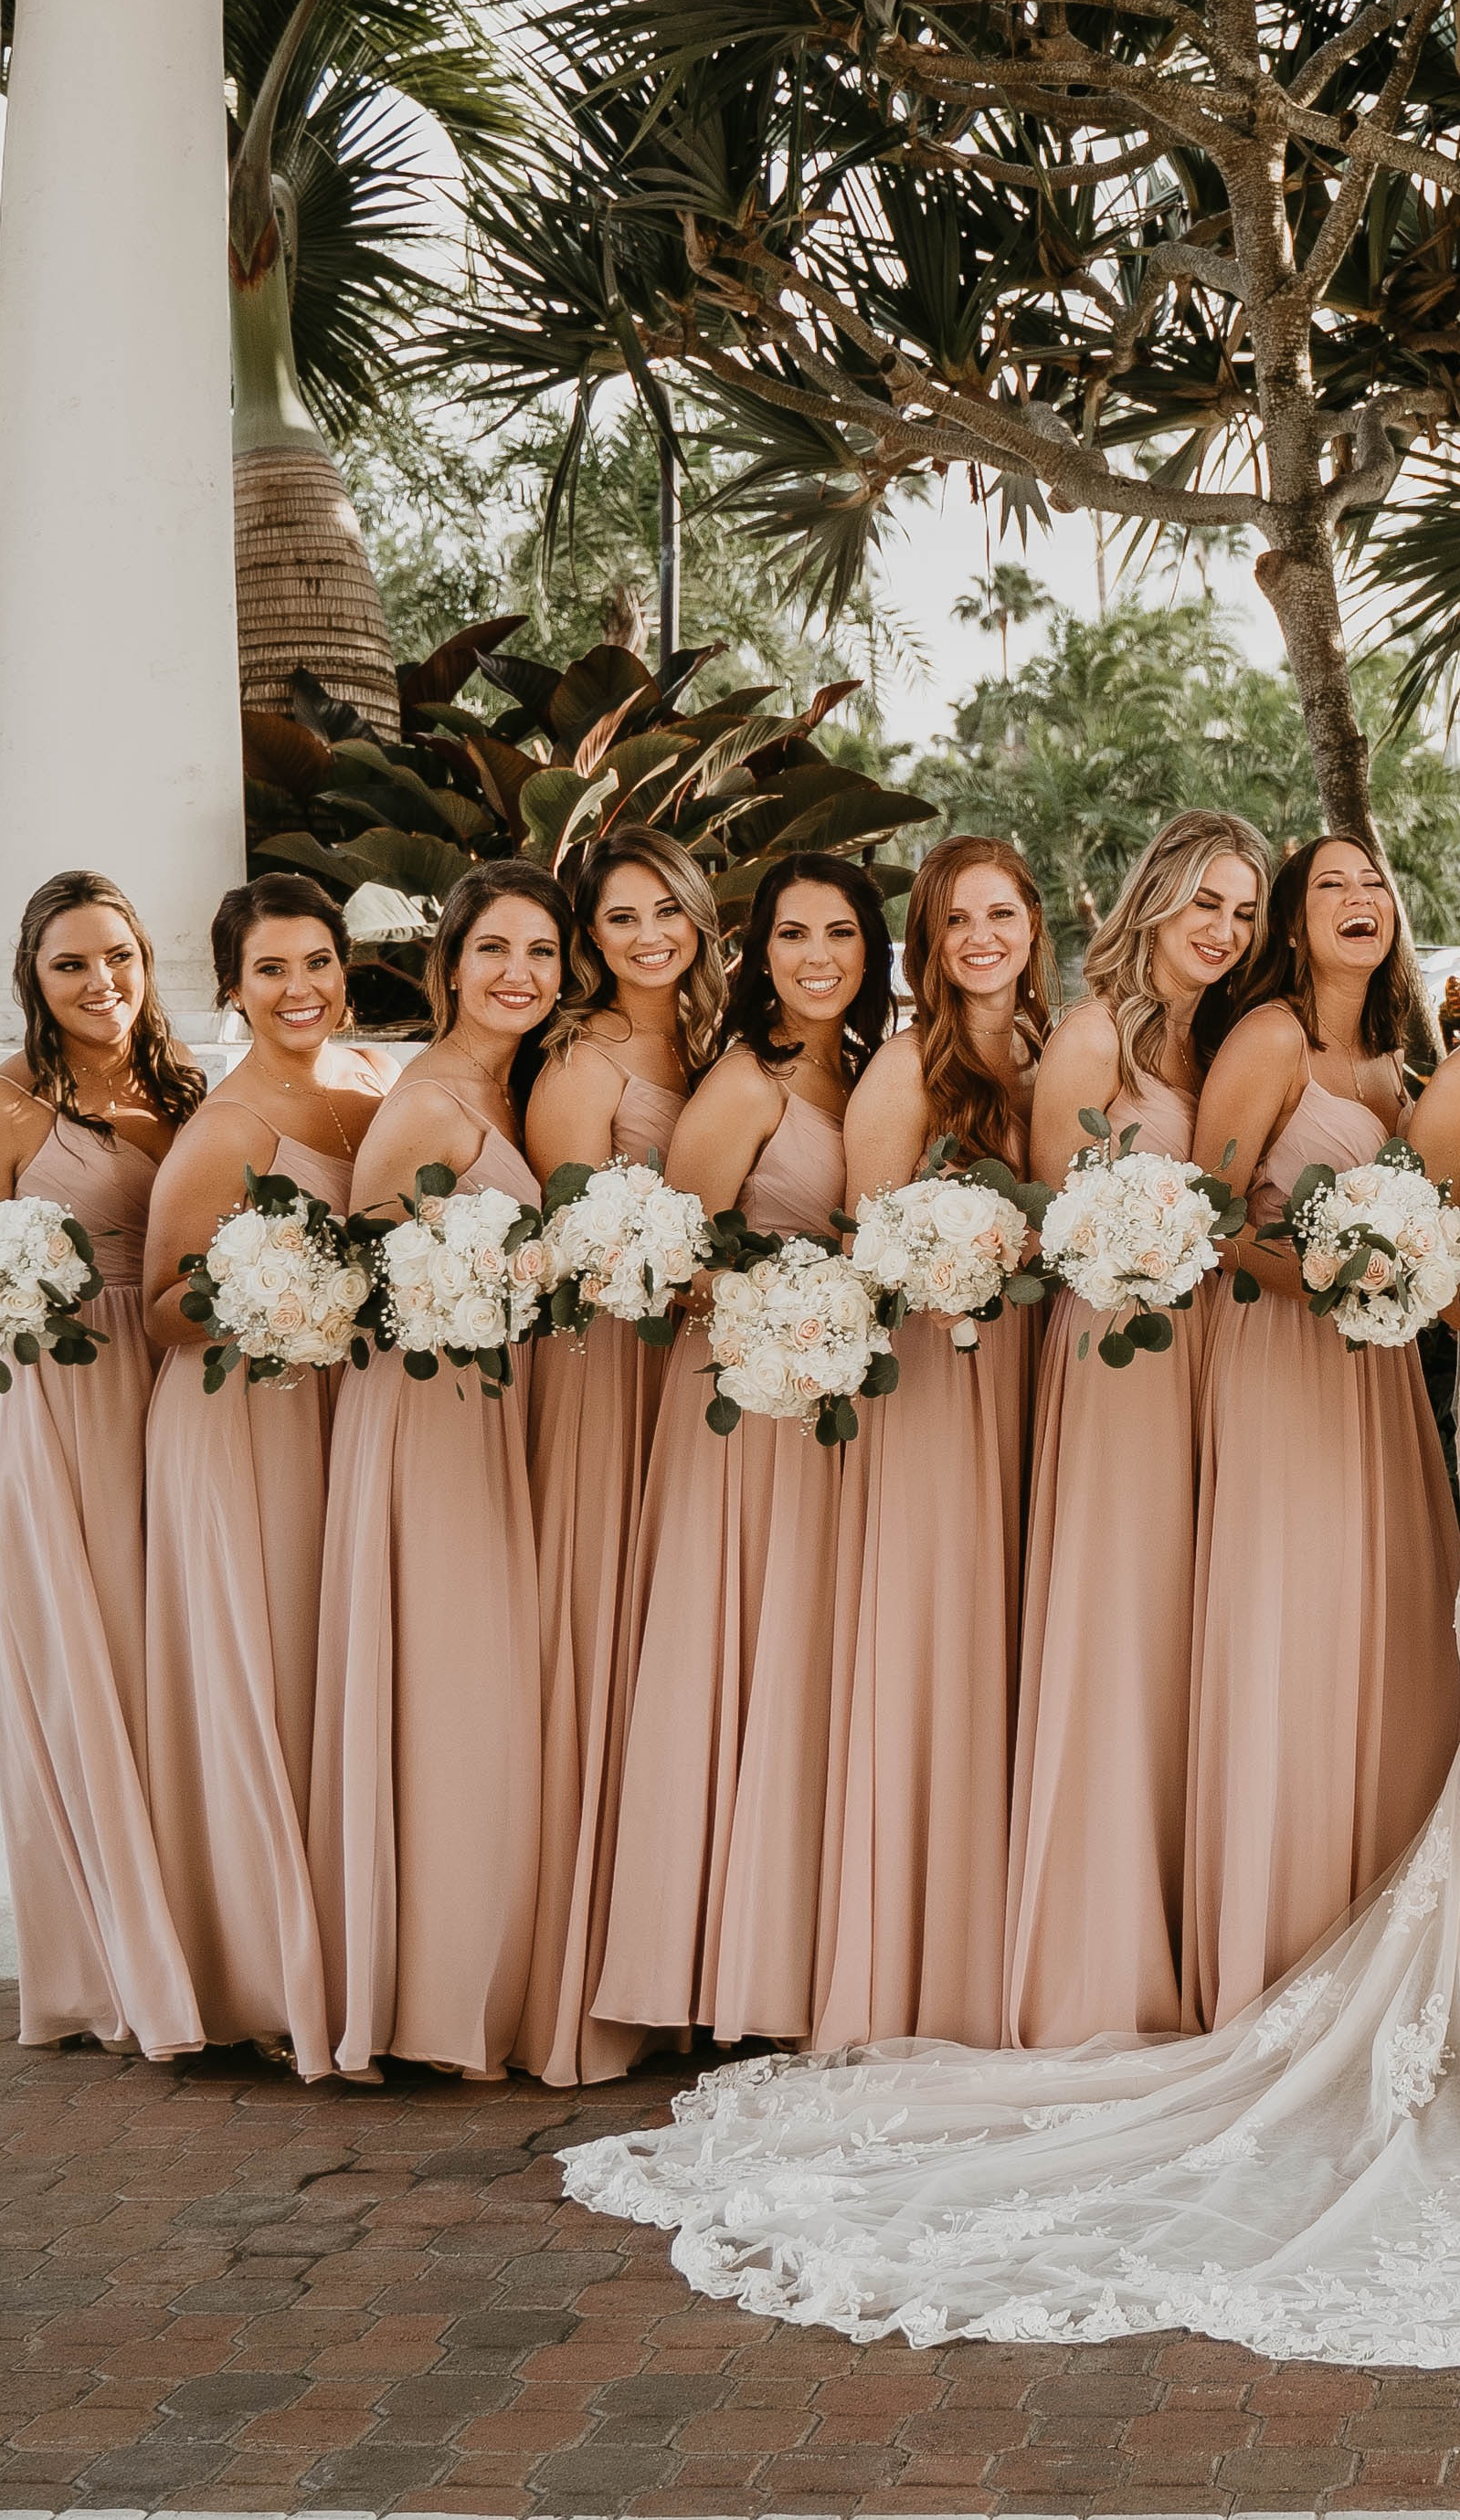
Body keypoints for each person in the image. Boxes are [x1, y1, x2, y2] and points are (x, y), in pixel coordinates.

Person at [559, 838, 1460, 2365]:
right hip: (1447, 1405)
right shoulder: (1389, 1062)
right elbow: (1255, 1215)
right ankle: (1440, 1970)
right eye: (1272, 894)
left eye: (1317, 893)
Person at [594, 852, 894, 2050]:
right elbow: (665, 1268)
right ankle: (711, 1970)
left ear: (871, 953)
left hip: (830, 1407)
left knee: (806, 1667)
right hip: (739, 1405)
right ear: (757, 951)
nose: (817, 956)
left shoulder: (858, 1070)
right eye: (792, 934)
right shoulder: (743, 1084)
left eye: (840, 934)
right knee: (733, 1657)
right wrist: (793, 1300)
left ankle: (794, 1952)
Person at [1177, 832, 1460, 2023]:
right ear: (1292, 924)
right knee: (1283, 1619)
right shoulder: (1272, 1036)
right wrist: (1328, 1279)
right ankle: (1268, 1938)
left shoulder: (1399, 1066)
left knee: (1377, 1621)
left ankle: (1373, 1925)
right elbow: (1205, 1209)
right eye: (1332, 885)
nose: (1362, 898)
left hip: (1376, 1374)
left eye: (1375, 881)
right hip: (1277, 1358)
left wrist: (1398, 1278)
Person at [0, 868, 206, 2056]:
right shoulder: (1, 1109)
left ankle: (196, 1943)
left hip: (180, 1394)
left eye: (120, 957)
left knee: (169, 1668)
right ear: (34, 980)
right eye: (72, 964)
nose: (103, 983)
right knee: (82, 1666)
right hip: (56, 1402)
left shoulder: (188, 1092)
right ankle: (107, 1973)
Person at [1000, 809, 1270, 2047]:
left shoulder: (1217, 1036)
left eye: (1242, 909)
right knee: (1116, 1618)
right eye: (1205, 901)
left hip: (1212, 1356)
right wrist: (1150, 1239)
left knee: (1186, 1629)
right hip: (1117, 1352)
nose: (1222, 928)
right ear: (1153, 897)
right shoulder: (1091, 1033)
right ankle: (1097, 1949)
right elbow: (1060, 1219)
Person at [314, 860, 570, 2080]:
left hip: (484, 1406)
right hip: (420, 1415)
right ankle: (425, 2004)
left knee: (478, 1697)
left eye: (541, 952)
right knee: (445, 1693)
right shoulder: (426, 1101)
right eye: (494, 950)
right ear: (448, 966)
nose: (519, 973)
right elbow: (365, 1280)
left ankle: (468, 1980)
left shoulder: (499, 1086)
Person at [137, 873, 392, 2067]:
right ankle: (266, 1969)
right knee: (266, 1668)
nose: (302, 988)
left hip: (342, 1410)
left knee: (333, 1678)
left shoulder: (375, 1081)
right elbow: (161, 1303)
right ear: (232, 988)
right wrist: (285, 1297)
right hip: (243, 1418)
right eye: (273, 968)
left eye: (319, 961)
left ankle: (354, 1951)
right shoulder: (230, 1127)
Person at [816, 833, 1055, 2048]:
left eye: (1000, 912)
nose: (981, 937)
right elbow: (867, 1238)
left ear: (1031, 922)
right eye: (957, 918)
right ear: (928, 936)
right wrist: (949, 1268)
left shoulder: (1049, 1051)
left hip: (1036, 1381)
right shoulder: (909, 1064)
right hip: (933, 1380)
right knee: (936, 1642)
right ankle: (914, 1958)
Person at [517, 826, 724, 2086]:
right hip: (607, 1369)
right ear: (589, 938)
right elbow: (564, 1229)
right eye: (619, 919)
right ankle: (594, 1974)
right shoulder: (581, 1055)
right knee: (608, 1646)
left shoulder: (711, 1037)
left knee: (685, 1655)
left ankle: (687, 1952)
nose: (649, 935)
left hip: (702, 1367)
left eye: (666, 911)